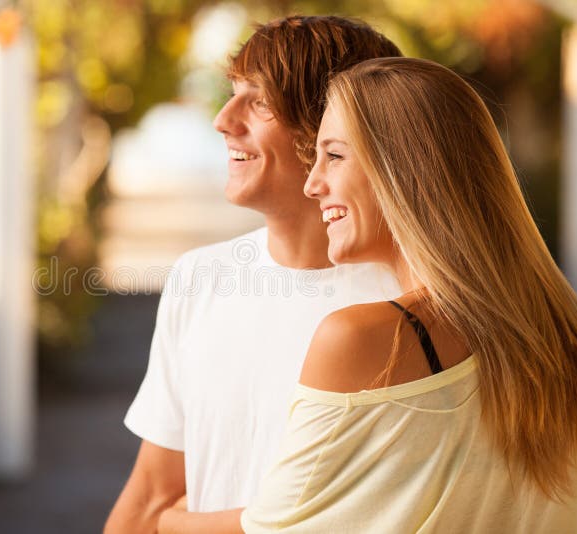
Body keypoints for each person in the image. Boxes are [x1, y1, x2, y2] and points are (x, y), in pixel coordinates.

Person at [159, 57, 577, 533]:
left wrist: (172, 520)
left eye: (334, 156)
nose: (312, 183)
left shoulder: (362, 338)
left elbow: (270, 529)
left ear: (406, 170)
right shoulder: (562, 334)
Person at [104, 16, 403, 532]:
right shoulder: (200, 279)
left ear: (334, 125)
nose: (223, 119)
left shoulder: (412, 302)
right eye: (233, 92)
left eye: (259, 101)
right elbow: (154, 491)